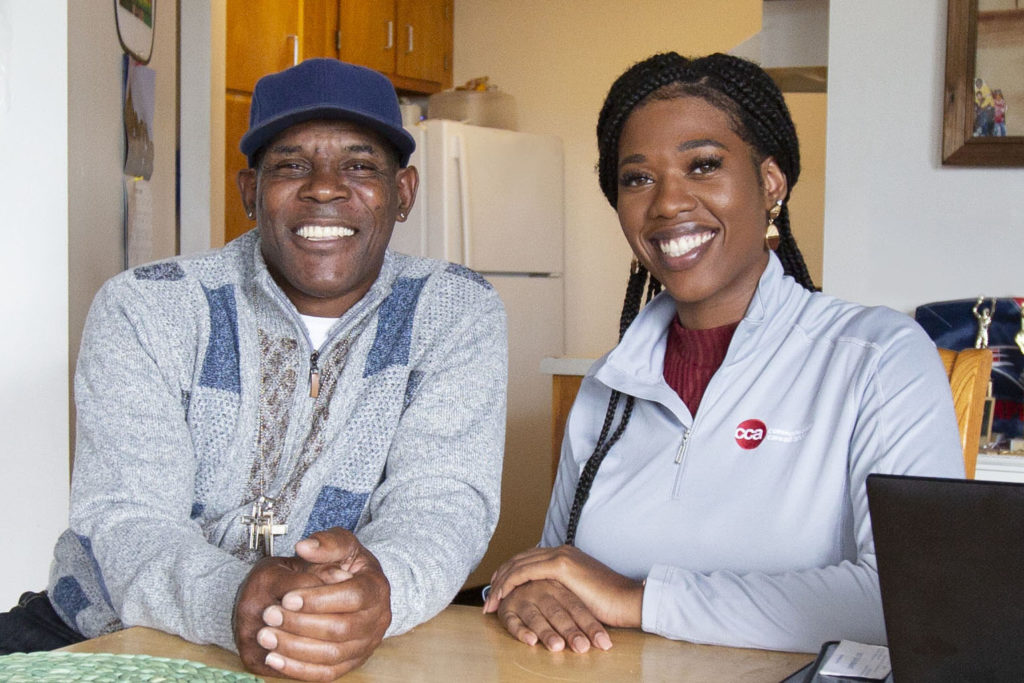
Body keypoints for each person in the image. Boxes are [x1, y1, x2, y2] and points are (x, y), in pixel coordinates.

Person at [0, 59, 507, 680]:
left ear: (403, 193)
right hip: (104, 633)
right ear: (249, 191)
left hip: (347, 643)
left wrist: (380, 593)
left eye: (359, 165)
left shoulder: (453, 310)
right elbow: (128, 517)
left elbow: (443, 501)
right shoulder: (148, 305)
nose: (325, 187)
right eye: (292, 164)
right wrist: (234, 599)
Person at [482, 52, 964, 655]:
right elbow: (557, 569)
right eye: (637, 178)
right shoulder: (609, 387)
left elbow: (912, 597)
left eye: (703, 165)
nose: (667, 203)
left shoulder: (877, 357)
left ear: (770, 183)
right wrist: (528, 594)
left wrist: (639, 600)